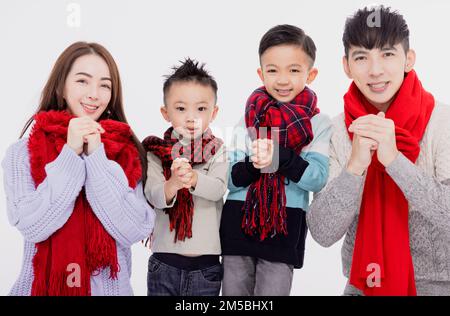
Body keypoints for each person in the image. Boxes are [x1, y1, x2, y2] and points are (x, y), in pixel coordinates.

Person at [307, 6, 450, 296]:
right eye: (361, 57)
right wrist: (355, 166)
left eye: (387, 54)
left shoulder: (442, 122)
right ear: (346, 65)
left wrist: (395, 162)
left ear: (408, 59)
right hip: (361, 286)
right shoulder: (332, 130)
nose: (375, 70)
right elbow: (322, 232)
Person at [2, 41, 155, 296]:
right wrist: (69, 155)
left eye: (105, 85)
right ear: (62, 87)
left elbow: (133, 229)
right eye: (83, 81)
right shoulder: (21, 154)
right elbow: (33, 225)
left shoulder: (127, 152)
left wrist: (97, 157)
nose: (94, 93)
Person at [220, 25, 331, 296]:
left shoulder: (318, 123)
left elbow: (317, 178)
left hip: (283, 227)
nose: (282, 80)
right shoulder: (246, 119)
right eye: (273, 70)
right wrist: (254, 164)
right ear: (261, 73)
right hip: (238, 225)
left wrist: (280, 158)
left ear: (311, 74)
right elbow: (230, 180)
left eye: (294, 70)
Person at [143, 58, 228, 296]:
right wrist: (172, 184)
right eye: (181, 109)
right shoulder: (157, 152)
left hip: (206, 265)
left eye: (201, 109)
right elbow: (154, 195)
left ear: (214, 113)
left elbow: (218, 189)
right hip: (165, 261)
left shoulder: (218, 149)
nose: (191, 118)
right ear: (165, 112)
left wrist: (193, 180)